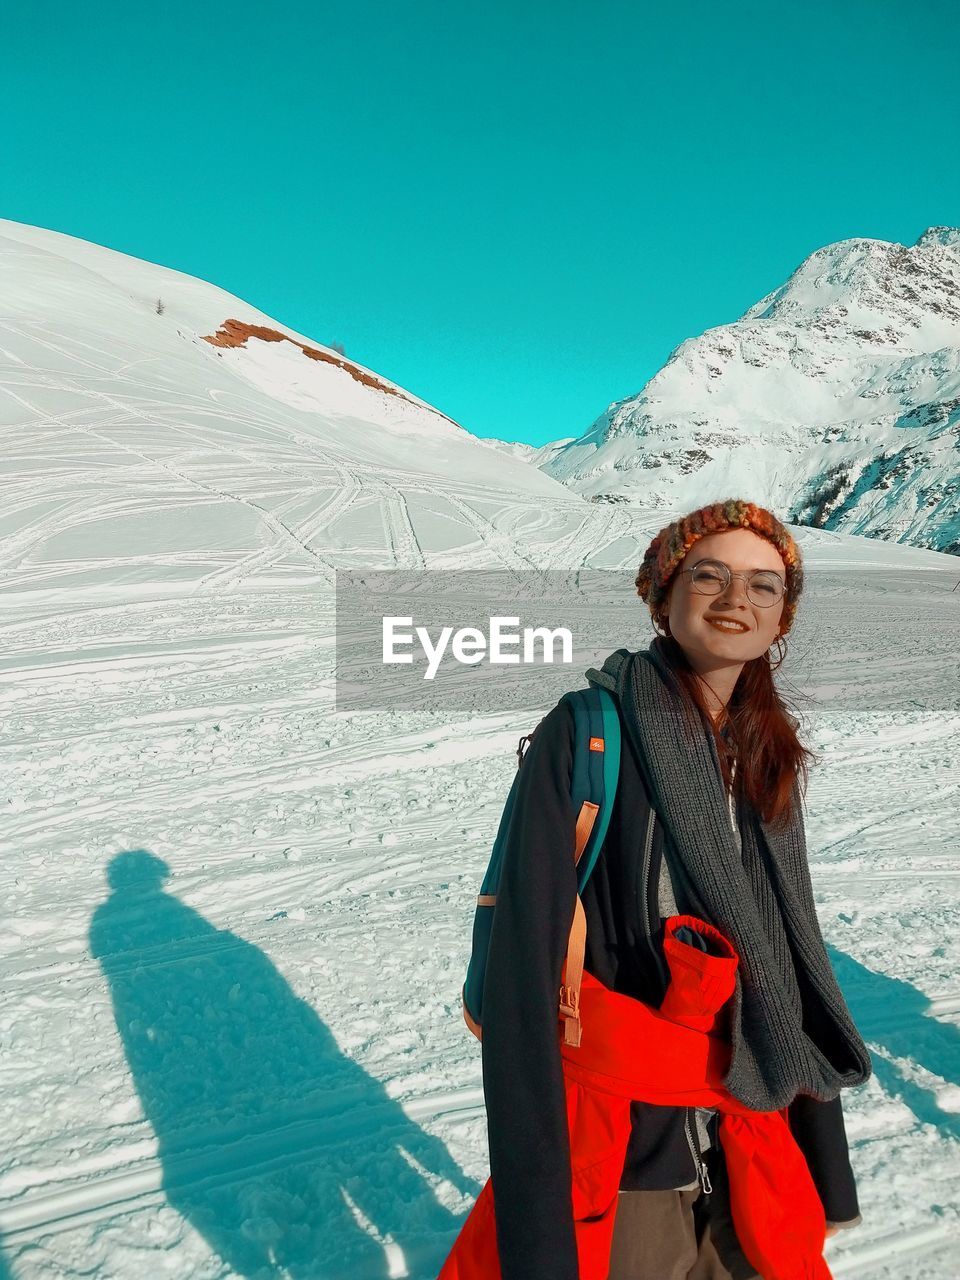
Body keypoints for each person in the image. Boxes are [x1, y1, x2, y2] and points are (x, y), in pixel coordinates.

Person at [440, 499, 872, 1280]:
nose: (737, 600)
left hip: (749, 1119)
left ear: (784, 619)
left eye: (764, 586)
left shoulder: (763, 750)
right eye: (708, 575)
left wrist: (822, 1162)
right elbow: (520, 974)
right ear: (663, 599)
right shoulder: (586, 733)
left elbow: (790, 961)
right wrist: (536, 1214)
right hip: (629, 1142)